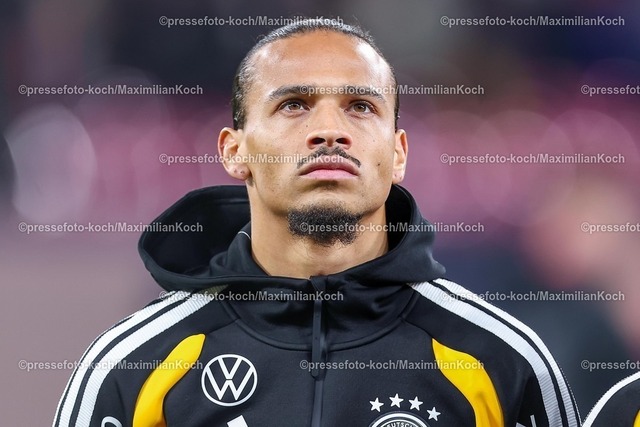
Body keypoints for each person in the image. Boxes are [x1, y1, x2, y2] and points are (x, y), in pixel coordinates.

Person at [53, 18, 580, 427]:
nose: (330, 130)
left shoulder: (503, 361)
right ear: (234, 151)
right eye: (294, 105)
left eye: (360, 107)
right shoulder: (132, 366)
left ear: (398, 153)